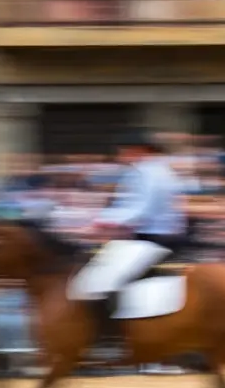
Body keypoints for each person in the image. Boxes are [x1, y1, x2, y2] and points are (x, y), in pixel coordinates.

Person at [68, 130, 186, 352]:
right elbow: (127, 208)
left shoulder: (149, 173)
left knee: (98, 281)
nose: (120, 155)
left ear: (138, 150)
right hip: (147, 235)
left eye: (123, 151)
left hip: (152, 238)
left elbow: (139, 210)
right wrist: (103, 222)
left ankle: (108, 338)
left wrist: (100, 223)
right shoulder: (151, 171)